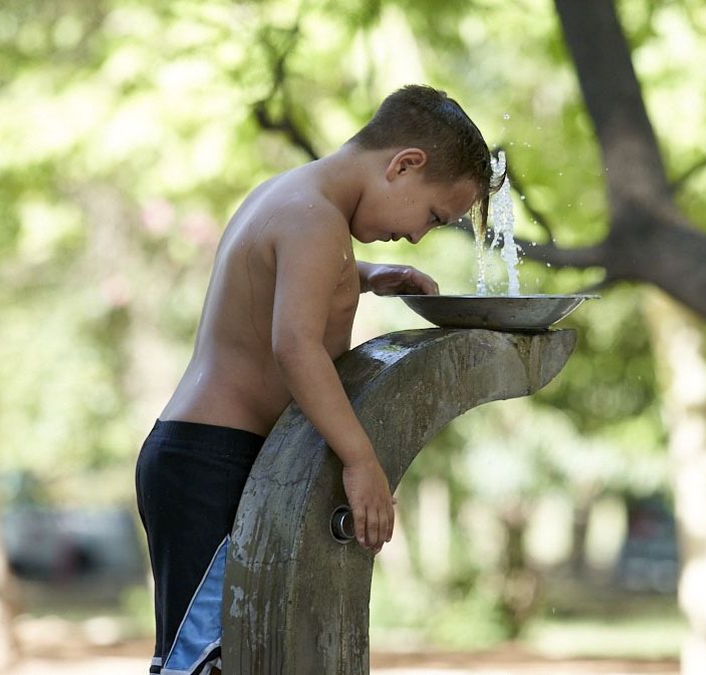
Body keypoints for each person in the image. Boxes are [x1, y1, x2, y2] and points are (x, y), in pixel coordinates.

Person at [135, 84, 497, 675]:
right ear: (405, 165)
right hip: (210, 462)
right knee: (203, 660)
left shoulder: (294, 197)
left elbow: (283, 270)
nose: (417, 236)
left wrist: (368, 276)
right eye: (432, 216)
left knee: (247, 655)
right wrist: (360, 460)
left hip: (207, 454)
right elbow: (295, 346)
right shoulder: (315, 219)